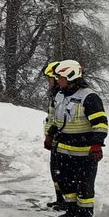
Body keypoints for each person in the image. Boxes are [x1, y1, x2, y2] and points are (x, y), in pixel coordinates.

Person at [50, 60, 108, 217]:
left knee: (84, 185)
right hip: (63, 150)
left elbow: (101, 123)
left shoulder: (89, 97)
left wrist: (97, 145)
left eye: (60, 77)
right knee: (66, 183)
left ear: (71, 76)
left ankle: (85, 214)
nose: (57, 80)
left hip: (84, 152)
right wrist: (50, 133)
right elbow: (58, 119)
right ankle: (71, 210)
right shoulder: (60, 95)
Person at [41, 61, 65, 209]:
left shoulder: (61, 95)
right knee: (55, 170)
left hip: (60, 138)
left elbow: (59, 118)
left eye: (50, 79)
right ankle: (60, 198)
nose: (48, 82)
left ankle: (65, 200)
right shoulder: (55, 94)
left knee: (60, 171)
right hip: (54, 138)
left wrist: (52, 135)